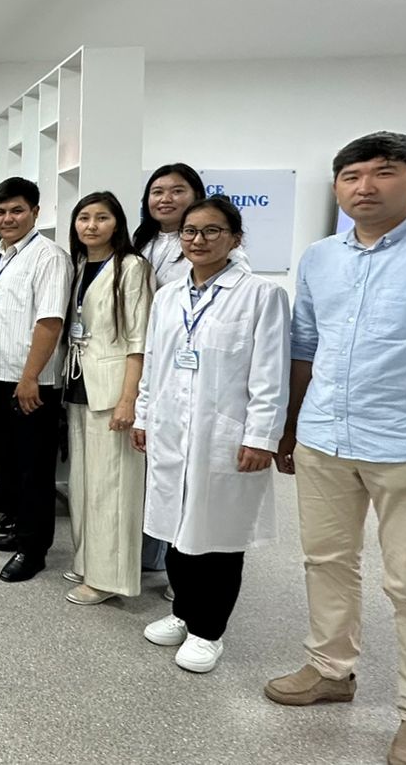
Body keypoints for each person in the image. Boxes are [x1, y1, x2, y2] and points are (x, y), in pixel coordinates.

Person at [265, 132, 406, 765]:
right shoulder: (320, 257)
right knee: (326, 561)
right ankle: (330, 668)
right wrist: (291, 426)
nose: (364, 187)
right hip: (325, 439)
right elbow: (305, 346)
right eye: (351, 176)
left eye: (384, 172)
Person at [132, 196, 289, 675]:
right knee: (174, 529)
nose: (198, 240)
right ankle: (183, 613)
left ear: (235, 238)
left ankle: (208, 631)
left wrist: (261, 436)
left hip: (224, 434)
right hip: (170, 428)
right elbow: (154, 362)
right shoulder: (168, 297)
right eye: (190, 231)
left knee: (218, 536)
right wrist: (143, 415)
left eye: (212, 231)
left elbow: (271, 373)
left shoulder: (261, 295)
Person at [0, 177, 73, 583]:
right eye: (1, 211)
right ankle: (18, 528)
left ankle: (34, 549)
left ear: (35, 212)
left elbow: (50, 322)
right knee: (7, 461)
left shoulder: (49, 257)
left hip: (30, 384)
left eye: (17, 210)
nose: (7, 218)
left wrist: (29, 378)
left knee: (34, 469)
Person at [62, 192, 154, 606]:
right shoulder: (81, 265)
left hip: (114, 388)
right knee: (84, 483)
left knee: (112, 486)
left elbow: (139, 340)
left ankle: (109, 578)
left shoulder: (132, 267)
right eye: (84, 217)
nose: (91, 225)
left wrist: (128, 399)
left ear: (118, 223)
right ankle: (88, 561)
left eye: (102, 217)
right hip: (81, 382)